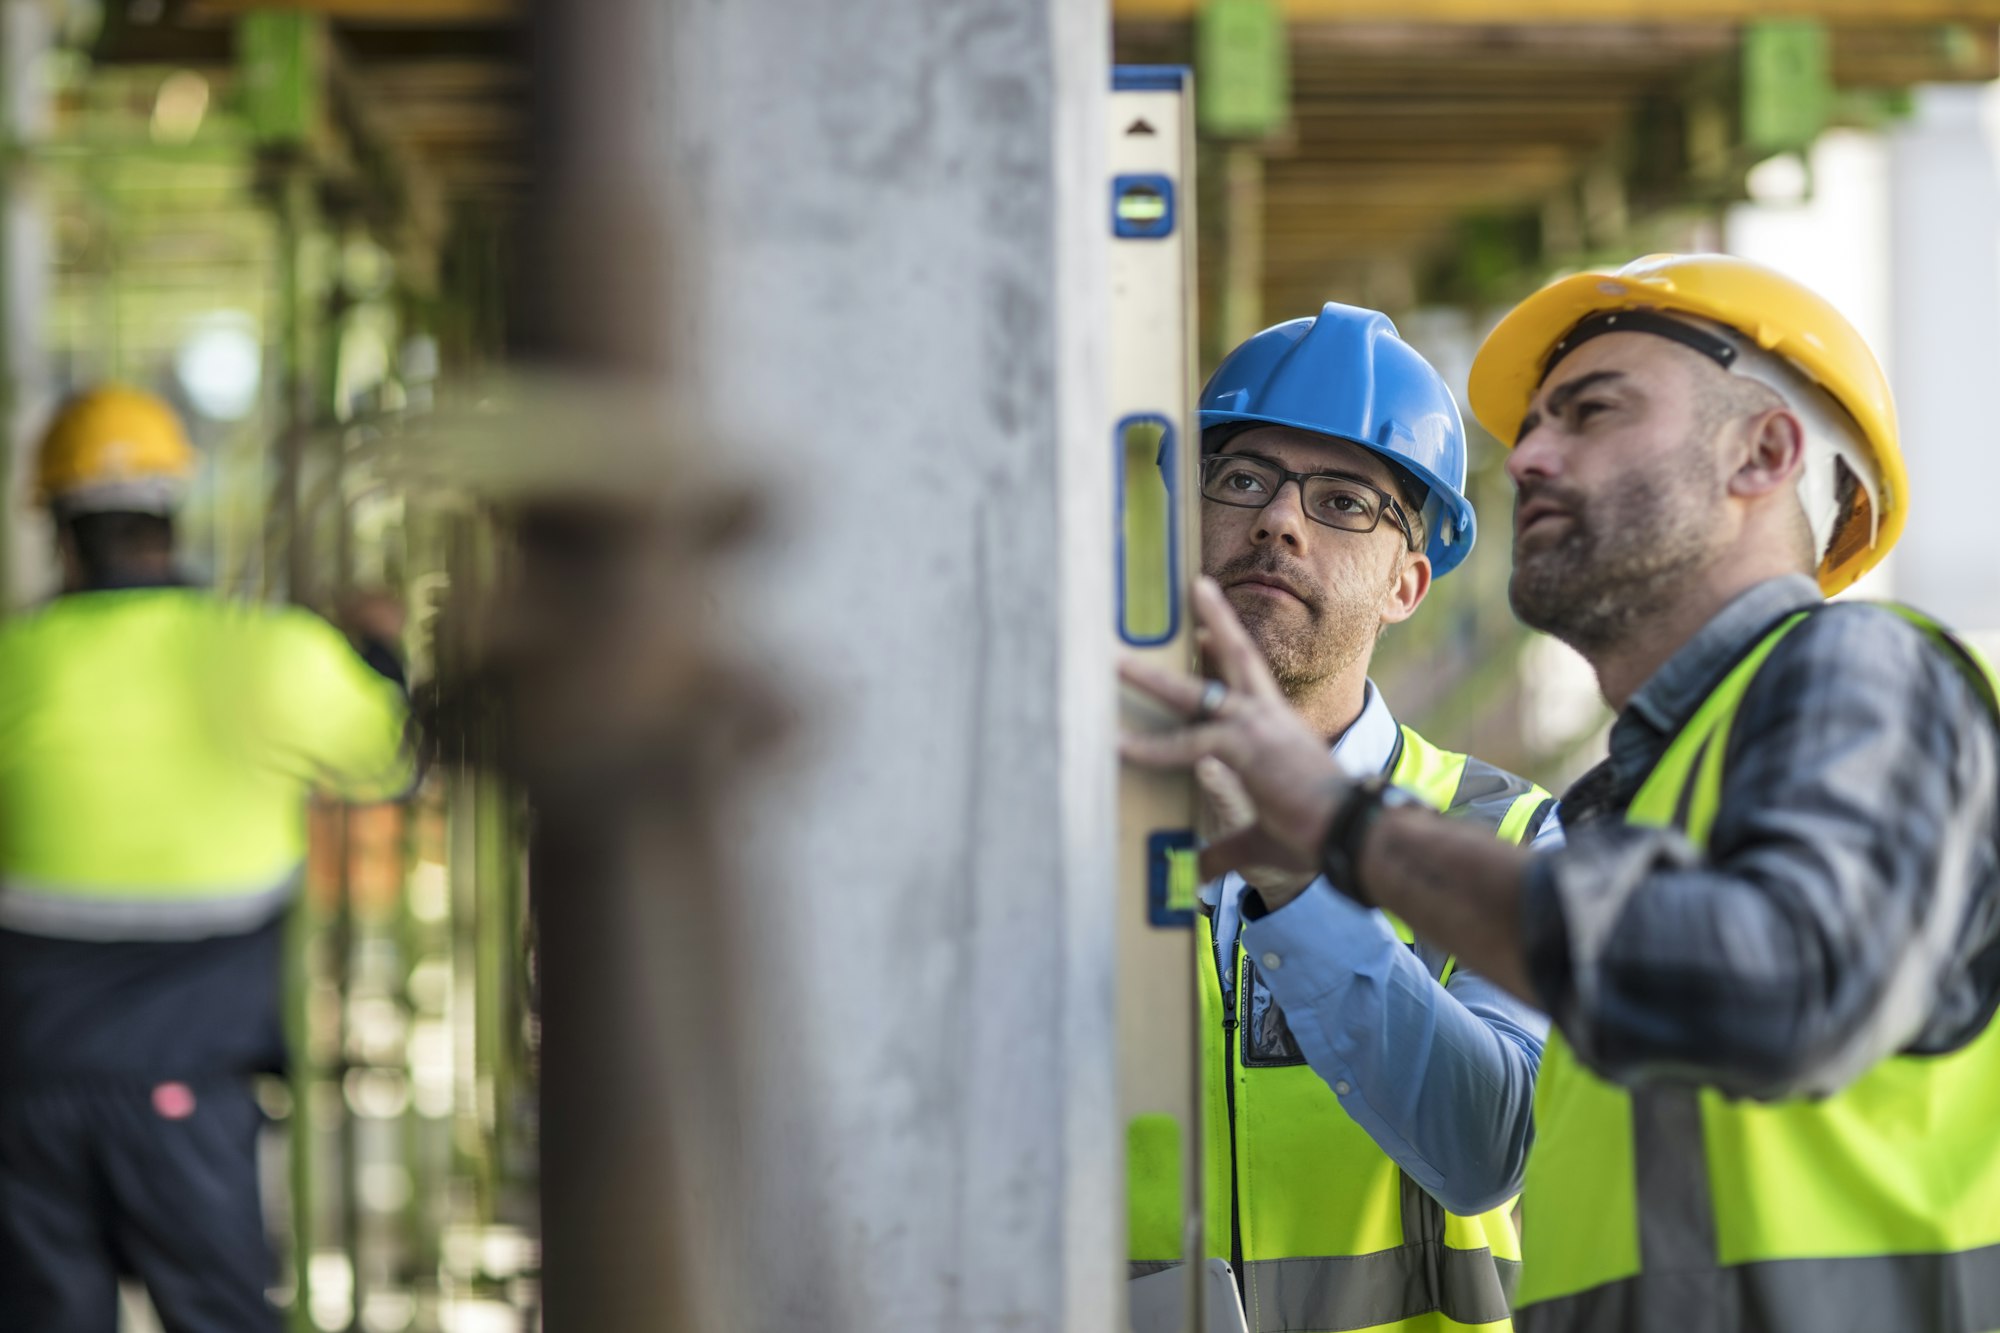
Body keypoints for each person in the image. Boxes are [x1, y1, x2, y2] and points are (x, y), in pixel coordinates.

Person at [1121, 255, 2000, 1333]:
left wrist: (1332, 835)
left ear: (1762, 453)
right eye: (1531, 425)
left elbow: (1779, 977)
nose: (1528, 456)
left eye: (1589, 412)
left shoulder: (1862, 676)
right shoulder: (1631, 806)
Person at [1127, 303, 1557, 1333]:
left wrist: (1296, 876)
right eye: (1241, 481)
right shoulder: (1064, 812)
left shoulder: (1509, 840)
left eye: (1343, 502)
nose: (1278, 520)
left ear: (1408, 581)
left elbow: (1481, 1146)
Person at [0, 386, 416, 1332]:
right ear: (173, 514)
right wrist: (378, 652)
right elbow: (387, 759)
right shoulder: (266, 656)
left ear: (58, 528)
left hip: (23, 1082)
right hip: (187, 1080)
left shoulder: (10, 664)